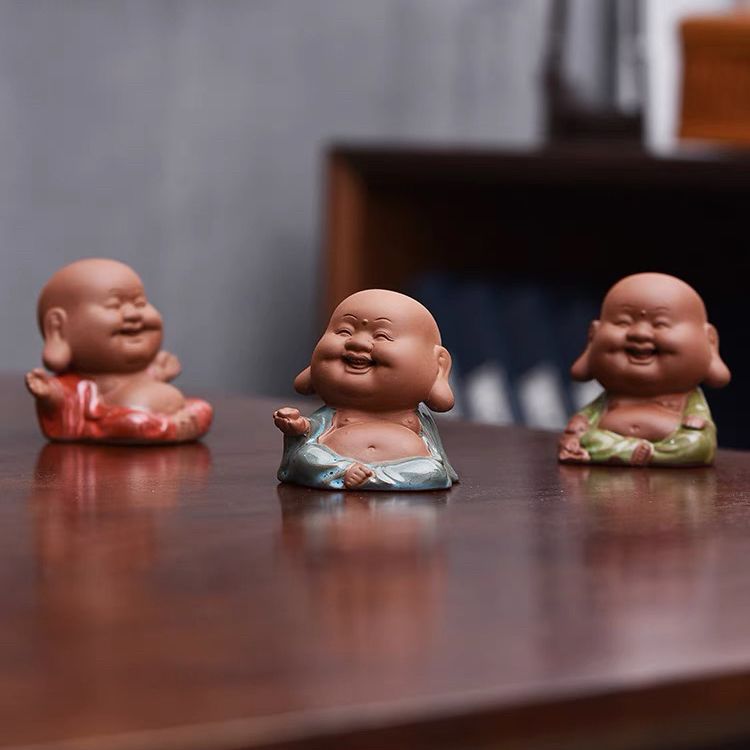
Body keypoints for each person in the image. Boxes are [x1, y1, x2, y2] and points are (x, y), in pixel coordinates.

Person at [274, 289, 457, 490]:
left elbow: (437, 461)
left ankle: (375, 478)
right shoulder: (334, 413)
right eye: (345, 332)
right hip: (338, 464)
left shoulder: (416, 418)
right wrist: (299, 428)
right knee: (307, 456)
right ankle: (343, 471)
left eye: (382, 335)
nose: (357, 342)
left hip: (405, 471)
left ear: (437, 366)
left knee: (431, 470)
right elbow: (310, 436)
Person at [25, 258, 212, 443]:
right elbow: (66, 397)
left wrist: (159, 373)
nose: (133, 314)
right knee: (134, 423)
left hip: (166, 414)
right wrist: (49, 394)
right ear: (59, 328)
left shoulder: (145, 372)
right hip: (127, 422)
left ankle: (174, 425)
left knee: (202, 407)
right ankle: (167, 427)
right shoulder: (81, 385)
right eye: (114, 306)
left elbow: (146, 381)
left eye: (140, 303)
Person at [559, 273, 730, 466]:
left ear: (709, 340)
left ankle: (647, 454)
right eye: (623, 322)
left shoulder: (690, 401)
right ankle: (631, 452)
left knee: (697, 444)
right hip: (602, 478)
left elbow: (701, 436)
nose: (639, 333)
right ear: (594, 336)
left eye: (660, 324)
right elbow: (586, 420)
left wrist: (694, 423)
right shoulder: (606, 400)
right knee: (582, 438)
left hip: (673, 467)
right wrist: (579, 424)